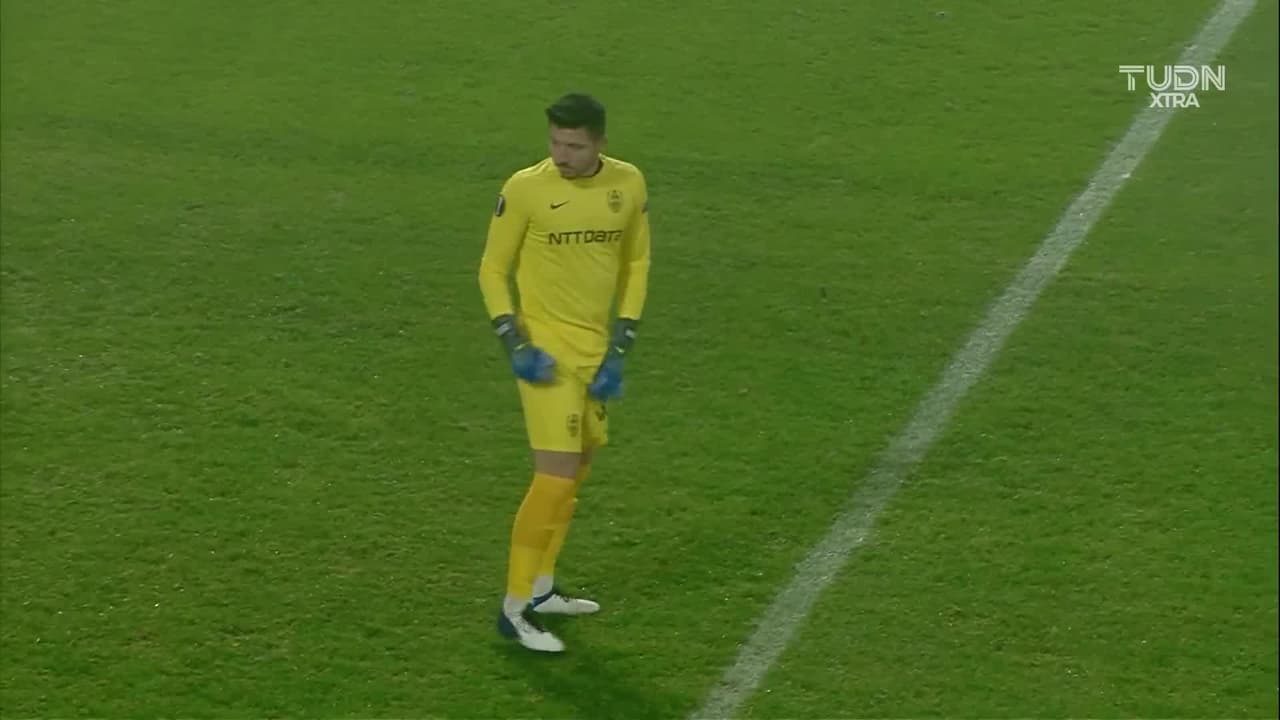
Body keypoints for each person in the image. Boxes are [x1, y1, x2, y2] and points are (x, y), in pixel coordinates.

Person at [477, 93, 652, 653]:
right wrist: (513, 342)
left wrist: (622, 344)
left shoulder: (628, 186)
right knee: (552, 478)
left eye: (574, 146)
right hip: (546, 357)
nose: (561, 154)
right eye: (555, 142)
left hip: (594, 352)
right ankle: (513, 607)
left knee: (575, 474)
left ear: (601, 142)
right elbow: (491, 268)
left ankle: (543, 588)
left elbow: (637, 263)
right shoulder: (525, 188)